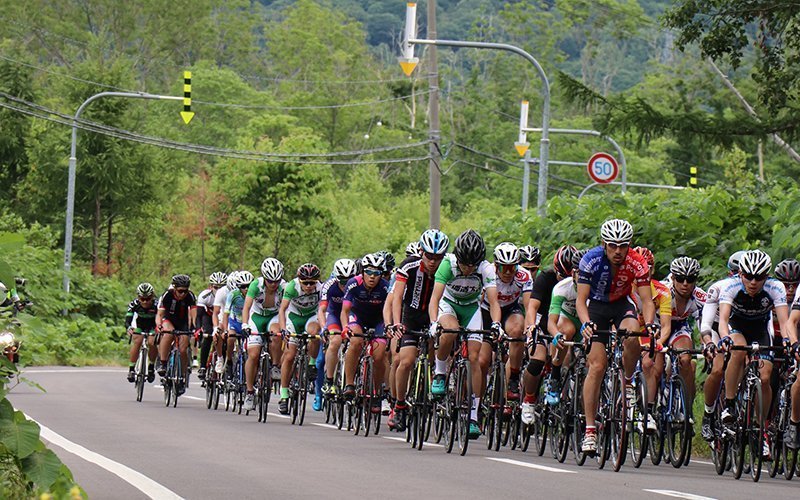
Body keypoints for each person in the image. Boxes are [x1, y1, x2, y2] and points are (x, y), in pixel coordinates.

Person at [575, 219, 656, 454]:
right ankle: (590, 430)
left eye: (623, 245)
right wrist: (585, 324)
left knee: (633, 336)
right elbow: (581, 301)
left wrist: (649, 324)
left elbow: (647, 301)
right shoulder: (590, 260)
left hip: (621, 304)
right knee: (597, 366)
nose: (618, 251)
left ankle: (628, 381)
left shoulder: (637, 262)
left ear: (629, 244)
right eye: (613, 245)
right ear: (604, 244)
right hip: (596, 308)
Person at [718, 250, 789, 459]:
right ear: (740, 274)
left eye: (759, 277)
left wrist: (786, 340)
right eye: (748, 276)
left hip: (760, 329)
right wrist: (724, 337)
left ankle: (760, 428)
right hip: (737, 326)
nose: (753, 282)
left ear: (767, 276)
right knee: (738, 352)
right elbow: (723, 320)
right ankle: (729, 405)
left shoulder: (775, 287)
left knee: (766, 377)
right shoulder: (730, 286)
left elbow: (784, 322)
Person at [429, 229, 500, 438]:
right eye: (464, 264)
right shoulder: (448, 264)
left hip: (471, 308)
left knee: (475, 358)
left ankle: (473, 416)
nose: (468, 269)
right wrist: (434, 323)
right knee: (449, 331)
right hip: (449, 304)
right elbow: (435, 299)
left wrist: (496, 324)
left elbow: (494, 302)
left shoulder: (486, 269)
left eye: (472, 265)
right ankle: (440, 372)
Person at [388, 229, 449, 431]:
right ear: (421, 252)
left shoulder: (448, 268)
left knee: (435, 359)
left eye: (437, 257)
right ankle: (399, 405)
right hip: (411, 318)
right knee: (405, 361)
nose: (432, 261)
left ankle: (433, 391)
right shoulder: (409, 266)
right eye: (429, 256)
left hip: (435, 317)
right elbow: (397, 297)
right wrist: (397, 323)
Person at [341, 253, 391, 415]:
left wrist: (389, 327)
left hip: (378, 321)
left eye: (377, 273)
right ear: (362, 272)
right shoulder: (353, 283)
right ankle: (349, 384)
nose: (372, 277)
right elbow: (345, 310)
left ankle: (377, 392)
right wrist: (345, 327)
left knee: (379, 355)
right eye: (369, 272)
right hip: (357, 318)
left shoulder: (385, 287)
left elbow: (389, 310)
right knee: (355, 342)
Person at [486, 242, 532, 405]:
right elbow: (492, 303)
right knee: (483, 359)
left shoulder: (524, 275)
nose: (507, 272)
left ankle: (513, 376)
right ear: (496, 265)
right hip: (487, 309)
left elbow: (528, 306)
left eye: (511, 268)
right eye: (503, 268)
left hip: (511, 309)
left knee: (518, 330)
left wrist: (529, 329)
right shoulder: (488, 273)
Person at [278, 263, 323, 414]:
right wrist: (283, 329)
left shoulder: (320, 288)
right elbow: (282, 309)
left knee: (314, 333)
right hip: (293, 318)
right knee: (290, 356)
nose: (309, 286)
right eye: (306, 283)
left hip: (311, 316)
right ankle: (284, 395)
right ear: (300, 281)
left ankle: (311, 364)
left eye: (313, 282)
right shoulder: (292, 287)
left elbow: (323, 309)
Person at [241, 259, 285, 411]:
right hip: (256, 317)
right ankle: (250, 392)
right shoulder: (255, 285)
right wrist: (245, 324)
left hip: (273, 316)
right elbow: (246, 307)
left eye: (277, 281)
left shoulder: (284, 287)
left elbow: (286, 308)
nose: (274, 284)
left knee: (276, 335)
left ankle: (274, 366)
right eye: (270, 281)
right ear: (264, 278)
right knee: (253, 355)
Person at [318, 258, 357, 407]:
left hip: (351, 314)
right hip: (334, 314)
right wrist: (324, 328)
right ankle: (329, 381)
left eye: (348, 280)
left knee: (356, 341)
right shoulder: (329, 285)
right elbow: (322, 310)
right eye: (341, 280)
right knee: (335, 341)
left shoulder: (357, 284)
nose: (344, 284)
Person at [156, 274, 197, 394]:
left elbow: (194, 314)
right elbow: (160, 314)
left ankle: (182, 377)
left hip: (183, 322)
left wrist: (195, 328)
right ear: (174, 288)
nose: (183, 294)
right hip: (169, 320)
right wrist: (159, 325)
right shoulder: (167, 295)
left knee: (183, 350)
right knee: (168, 335)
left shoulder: (190, 296)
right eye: (180, 291)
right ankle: (163, 363)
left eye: (185, 291)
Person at [125, 283, 158, 383]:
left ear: (152, 296)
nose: (145, 302)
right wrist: (129, 328)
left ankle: (151, 366)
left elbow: (161, 318)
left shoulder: (157, 304)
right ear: (138, 297)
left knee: (152, 342)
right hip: (139, 325)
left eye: (147, 299)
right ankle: (131, 369)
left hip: (153, 325)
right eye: (142, 299)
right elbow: (128, 320)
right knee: (137, 341)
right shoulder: (134, 304)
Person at [196, 272, 227, 380]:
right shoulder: (205, 296)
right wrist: (199, 329)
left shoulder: (227, 295)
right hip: (208, 317)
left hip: (222, 317)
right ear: (210, 287)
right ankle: (203, 366)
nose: (218, 290)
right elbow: (199, 315)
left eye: (221, 287)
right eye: (216, 287)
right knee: (208, 338)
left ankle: (223, 361)